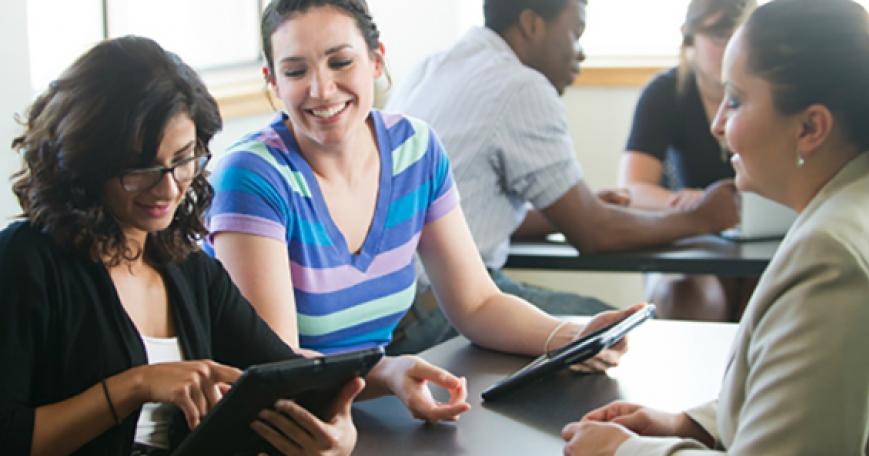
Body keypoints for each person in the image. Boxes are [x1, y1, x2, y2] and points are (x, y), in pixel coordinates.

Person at [207, 0, 640, 421]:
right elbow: (275, 364)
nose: (321, 89)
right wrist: (386, 372)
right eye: (296, 71)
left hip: (359, 411)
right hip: (277, 422)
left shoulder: (415, 149)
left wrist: (567, 337)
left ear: (376, 60)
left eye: (340, 62)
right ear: (273, 82)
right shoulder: (251, 175)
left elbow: (477, 302)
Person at [0, 36, 362, 456]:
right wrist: (134, 386)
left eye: (184, 159)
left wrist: (339, 428)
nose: (169, 188)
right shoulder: (24, 261)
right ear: (87, 163)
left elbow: (286, 375)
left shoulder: (187, 267)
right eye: (141, 168)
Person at [562, 0, 869, 453]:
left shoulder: (829, 256)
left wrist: (622, 450)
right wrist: (690, 425)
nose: (718, 124)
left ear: (810, 127)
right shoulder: (848, 209)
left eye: (737, 101)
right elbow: (803, 392)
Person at [384, 0, 740, 351]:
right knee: (627, 335)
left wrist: (569, 210)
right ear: (531, 24)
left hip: (389, 312)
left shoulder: (429, 69)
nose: (580, 53)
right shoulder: (520, 86)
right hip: (443, 310)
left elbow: (458, 215)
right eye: (575, 33)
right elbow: (594, 233)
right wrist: (701, 217)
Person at [618, 0, 757, 322]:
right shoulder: (665, 92)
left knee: (766, 295)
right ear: (689, 37)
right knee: (690, 294)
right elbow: (632, 189)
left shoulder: (769, 93)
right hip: (688, 243)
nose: (731, 47)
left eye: (741, 35)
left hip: (754, 244)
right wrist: (697, 206)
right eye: (720, 35)